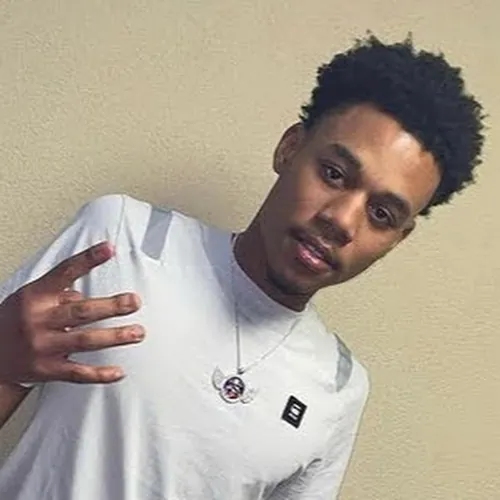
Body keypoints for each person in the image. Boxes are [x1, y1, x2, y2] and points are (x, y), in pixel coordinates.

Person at [0, 34, 485, 499]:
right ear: (290, 148)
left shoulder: (339, 386)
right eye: (334, 174)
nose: (341, 220)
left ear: (397, 240)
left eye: (381, 214)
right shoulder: (123, 236)